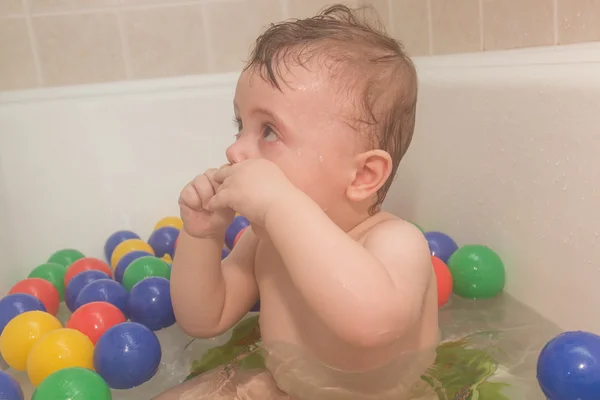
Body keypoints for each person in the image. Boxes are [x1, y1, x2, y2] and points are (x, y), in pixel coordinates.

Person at [155, 4, 439, 399]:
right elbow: (203, 318)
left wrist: (279, 204)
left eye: (268, 131)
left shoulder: (395, 242)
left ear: (362, 176)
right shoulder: (264, 242)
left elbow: (371, 323)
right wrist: (202, 235)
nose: (235, 149)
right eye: (241, 126)